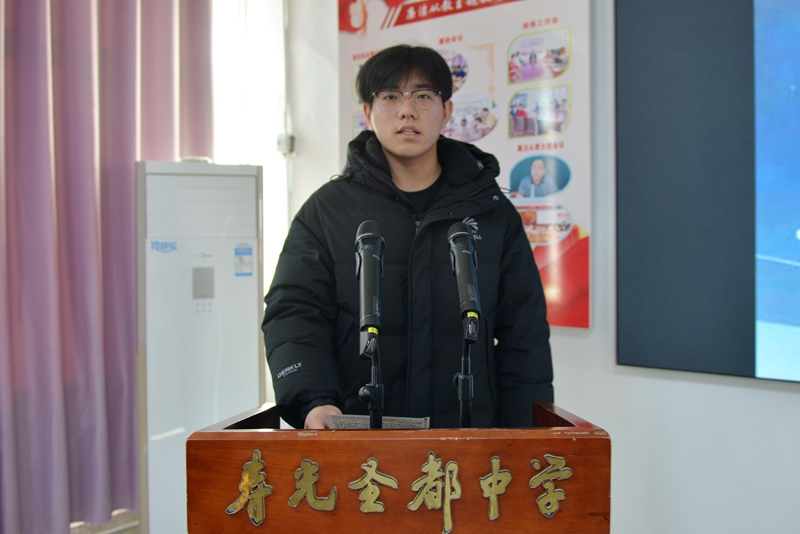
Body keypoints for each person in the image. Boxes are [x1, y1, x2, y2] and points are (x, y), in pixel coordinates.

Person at [262, 44, 553, 430]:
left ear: (446, 110)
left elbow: (525, 335)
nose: (407, 111)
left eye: (423, 96)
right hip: (358, 440)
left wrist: (525, 437)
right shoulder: (327, 211)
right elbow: (294, 313)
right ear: (368, 111)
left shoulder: (492, 212)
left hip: (467, 440)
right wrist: (313, 401)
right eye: (390, 97)